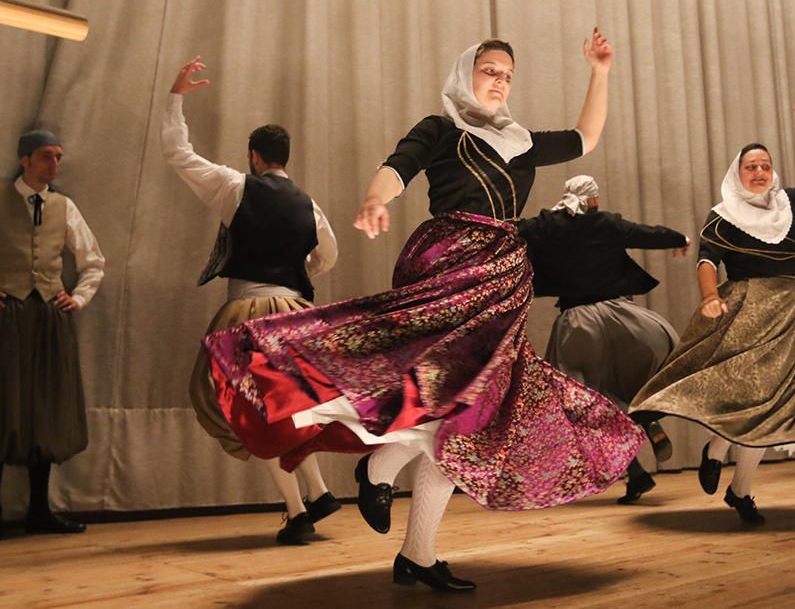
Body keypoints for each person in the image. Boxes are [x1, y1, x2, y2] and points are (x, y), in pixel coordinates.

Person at [203, 31, 644, 591]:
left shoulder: (522, 142)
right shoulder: (440, 128)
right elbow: (398, 167)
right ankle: (386, 482)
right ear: (467, 73)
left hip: (504, 274)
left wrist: (600, 72)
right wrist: (374, 198)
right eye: (490, 69)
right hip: (449, 260)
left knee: (467, 414)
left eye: (507, 74)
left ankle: (405, 526)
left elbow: (586, 136)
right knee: (436, 396)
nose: (500, 80)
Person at [631, 107, 795, 523]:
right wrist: (710, 296)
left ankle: (738, 486)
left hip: (791, 313)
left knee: (775, 406)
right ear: (738, 173)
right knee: (753, 399)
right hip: (749, 311)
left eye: (765, 165)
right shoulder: (724, 215)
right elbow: (706, 261)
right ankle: (722, 459)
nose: (759, 171)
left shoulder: (790, 205)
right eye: (751, 166)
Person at [162, 58, 342, 545]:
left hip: (247, 313)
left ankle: (298, 510)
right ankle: (317, 495)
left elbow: (179, 153)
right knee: (291, 410)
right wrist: (297, 275)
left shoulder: (235, 186)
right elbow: (328, 254)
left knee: (247, 411)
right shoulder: (310, 204)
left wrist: (175, 97)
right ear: (286, 157)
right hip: (294, 313)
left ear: (254, 155)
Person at [518, 174, 688, 504]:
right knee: (652, 366)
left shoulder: (546, 225)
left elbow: (514, 232)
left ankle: (636, 472)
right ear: (593, 199)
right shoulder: (605, 223)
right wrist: (678, 237)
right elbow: (645, 234)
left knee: (583, 403)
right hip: (620, 315)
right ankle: (644, 417)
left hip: (578, 322)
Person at [0, 129, 105, 535]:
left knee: (45, 407)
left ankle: (39, 511)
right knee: (4, 403)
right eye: (46, 156)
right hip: (8, 317)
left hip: (47, 318)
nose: (55, 164)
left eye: (58, 157)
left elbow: (93, 261)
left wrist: (77, 298)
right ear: (25, 159)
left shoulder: (64, 206)